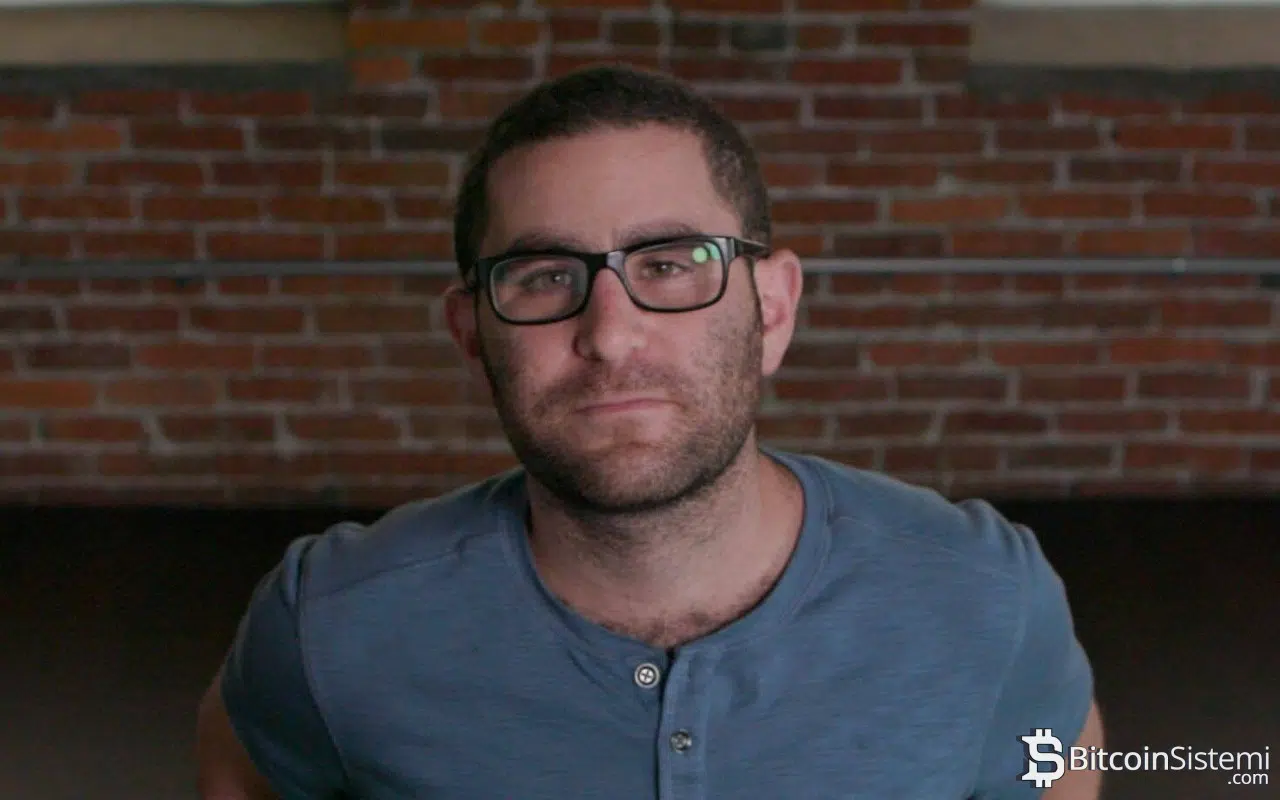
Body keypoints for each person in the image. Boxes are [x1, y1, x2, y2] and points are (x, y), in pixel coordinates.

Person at [196, 65, 1104, 799]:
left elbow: (1056, 771)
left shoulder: (986, 600)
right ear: (472, 333)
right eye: (544, 276)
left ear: (773, 309)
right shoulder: (330, 625)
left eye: (670, 264)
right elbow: (241, 773)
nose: (610, 334)